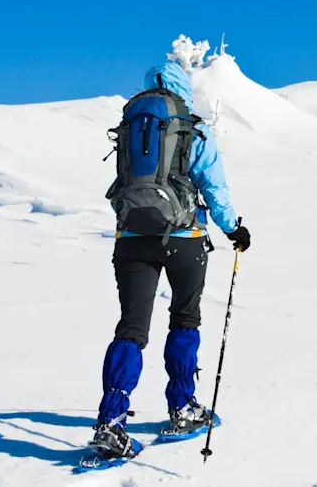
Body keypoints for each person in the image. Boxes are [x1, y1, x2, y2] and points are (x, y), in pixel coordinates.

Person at [89, 60, 251, 458]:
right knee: (184, 318)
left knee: (131, 328)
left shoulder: (132, 126)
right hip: (184, 239)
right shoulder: (193, 131)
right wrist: (234, 230)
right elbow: (215, 187)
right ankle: (182, 407)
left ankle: (111, 423)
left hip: (131, 239)